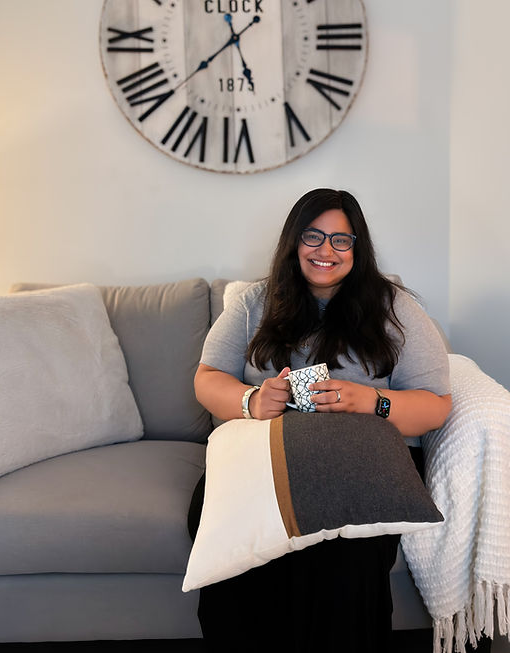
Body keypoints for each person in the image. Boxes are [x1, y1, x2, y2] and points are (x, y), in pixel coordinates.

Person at [191, 188, 452, 653]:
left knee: (344, 559)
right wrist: (253, 399)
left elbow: (435, 406)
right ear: (293, 242)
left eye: (341, 240)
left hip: (361, 459)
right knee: (233, 542)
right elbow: (208, 378)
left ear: (358, 247)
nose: (326, 251)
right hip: (263, 456)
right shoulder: (255, 301)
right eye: (313, 237)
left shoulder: (394, 308)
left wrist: (371, 401)